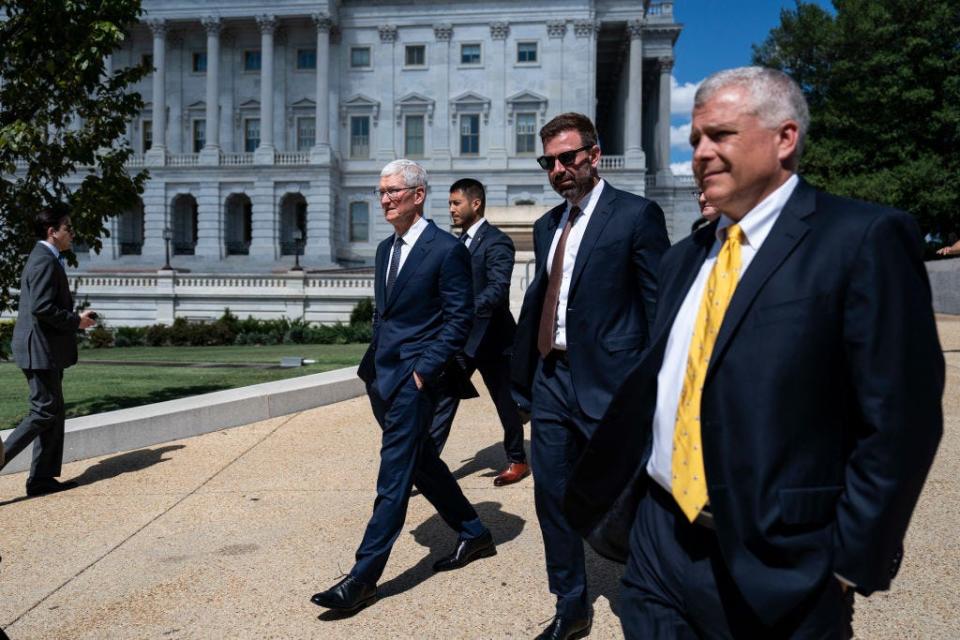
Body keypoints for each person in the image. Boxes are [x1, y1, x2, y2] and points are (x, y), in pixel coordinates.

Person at [565, 66, 944, 639]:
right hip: (659, 545)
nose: (701, 153)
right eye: (694, 139)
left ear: (785, 138)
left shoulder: (862, 239)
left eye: (721, 135)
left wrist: (848, 561)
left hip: (779, 560)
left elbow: (901, 420)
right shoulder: (682, 259)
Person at [311, 159, 495, 614]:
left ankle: (362, 578)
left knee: (393, 476)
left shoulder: (445, 250)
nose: (385, 199)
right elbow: (385, 315)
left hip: (415, 380)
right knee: (421, 463)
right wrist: (375, 366)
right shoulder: (384, 250)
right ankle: (474, 532)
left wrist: (423, 370)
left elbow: (459, 319)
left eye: (393, 190)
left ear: (417, 195)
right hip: (381, 377)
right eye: (381, 192)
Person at [512, 112, 670, 639]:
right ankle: (571, 605)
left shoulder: (636, 216)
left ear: (594, 156)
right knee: (552, 497)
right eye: (549, 161)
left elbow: (657, 309)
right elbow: (546, 301)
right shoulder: (546, 224)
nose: (558, 169)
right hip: (552, 379)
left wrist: (653, 389)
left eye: (567, 158)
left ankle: (654, 591)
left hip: (614, 384)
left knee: (631, 498)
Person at [428, 178, 530, 486]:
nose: (451, 210)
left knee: (505, 403)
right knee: (445, 398)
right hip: (461, 340)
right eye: (449, 204)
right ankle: (425, 466)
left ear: (476, 203)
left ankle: (517, 459)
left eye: (456, 203)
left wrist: (464, 311)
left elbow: (497, 289)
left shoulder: (498, 242)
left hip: (493, 340)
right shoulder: (456, 244)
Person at [0, 205, 97, 496]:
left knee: (52, 411)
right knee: (44, 411)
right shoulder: (44, 260)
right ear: (52, 231)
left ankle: (41, 479)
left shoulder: (47, 257)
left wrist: (74, 318)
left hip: (45, 349)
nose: (72, 232)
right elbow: (42, 307)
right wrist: (76, 322)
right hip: (38, 349)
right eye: (67, 228)